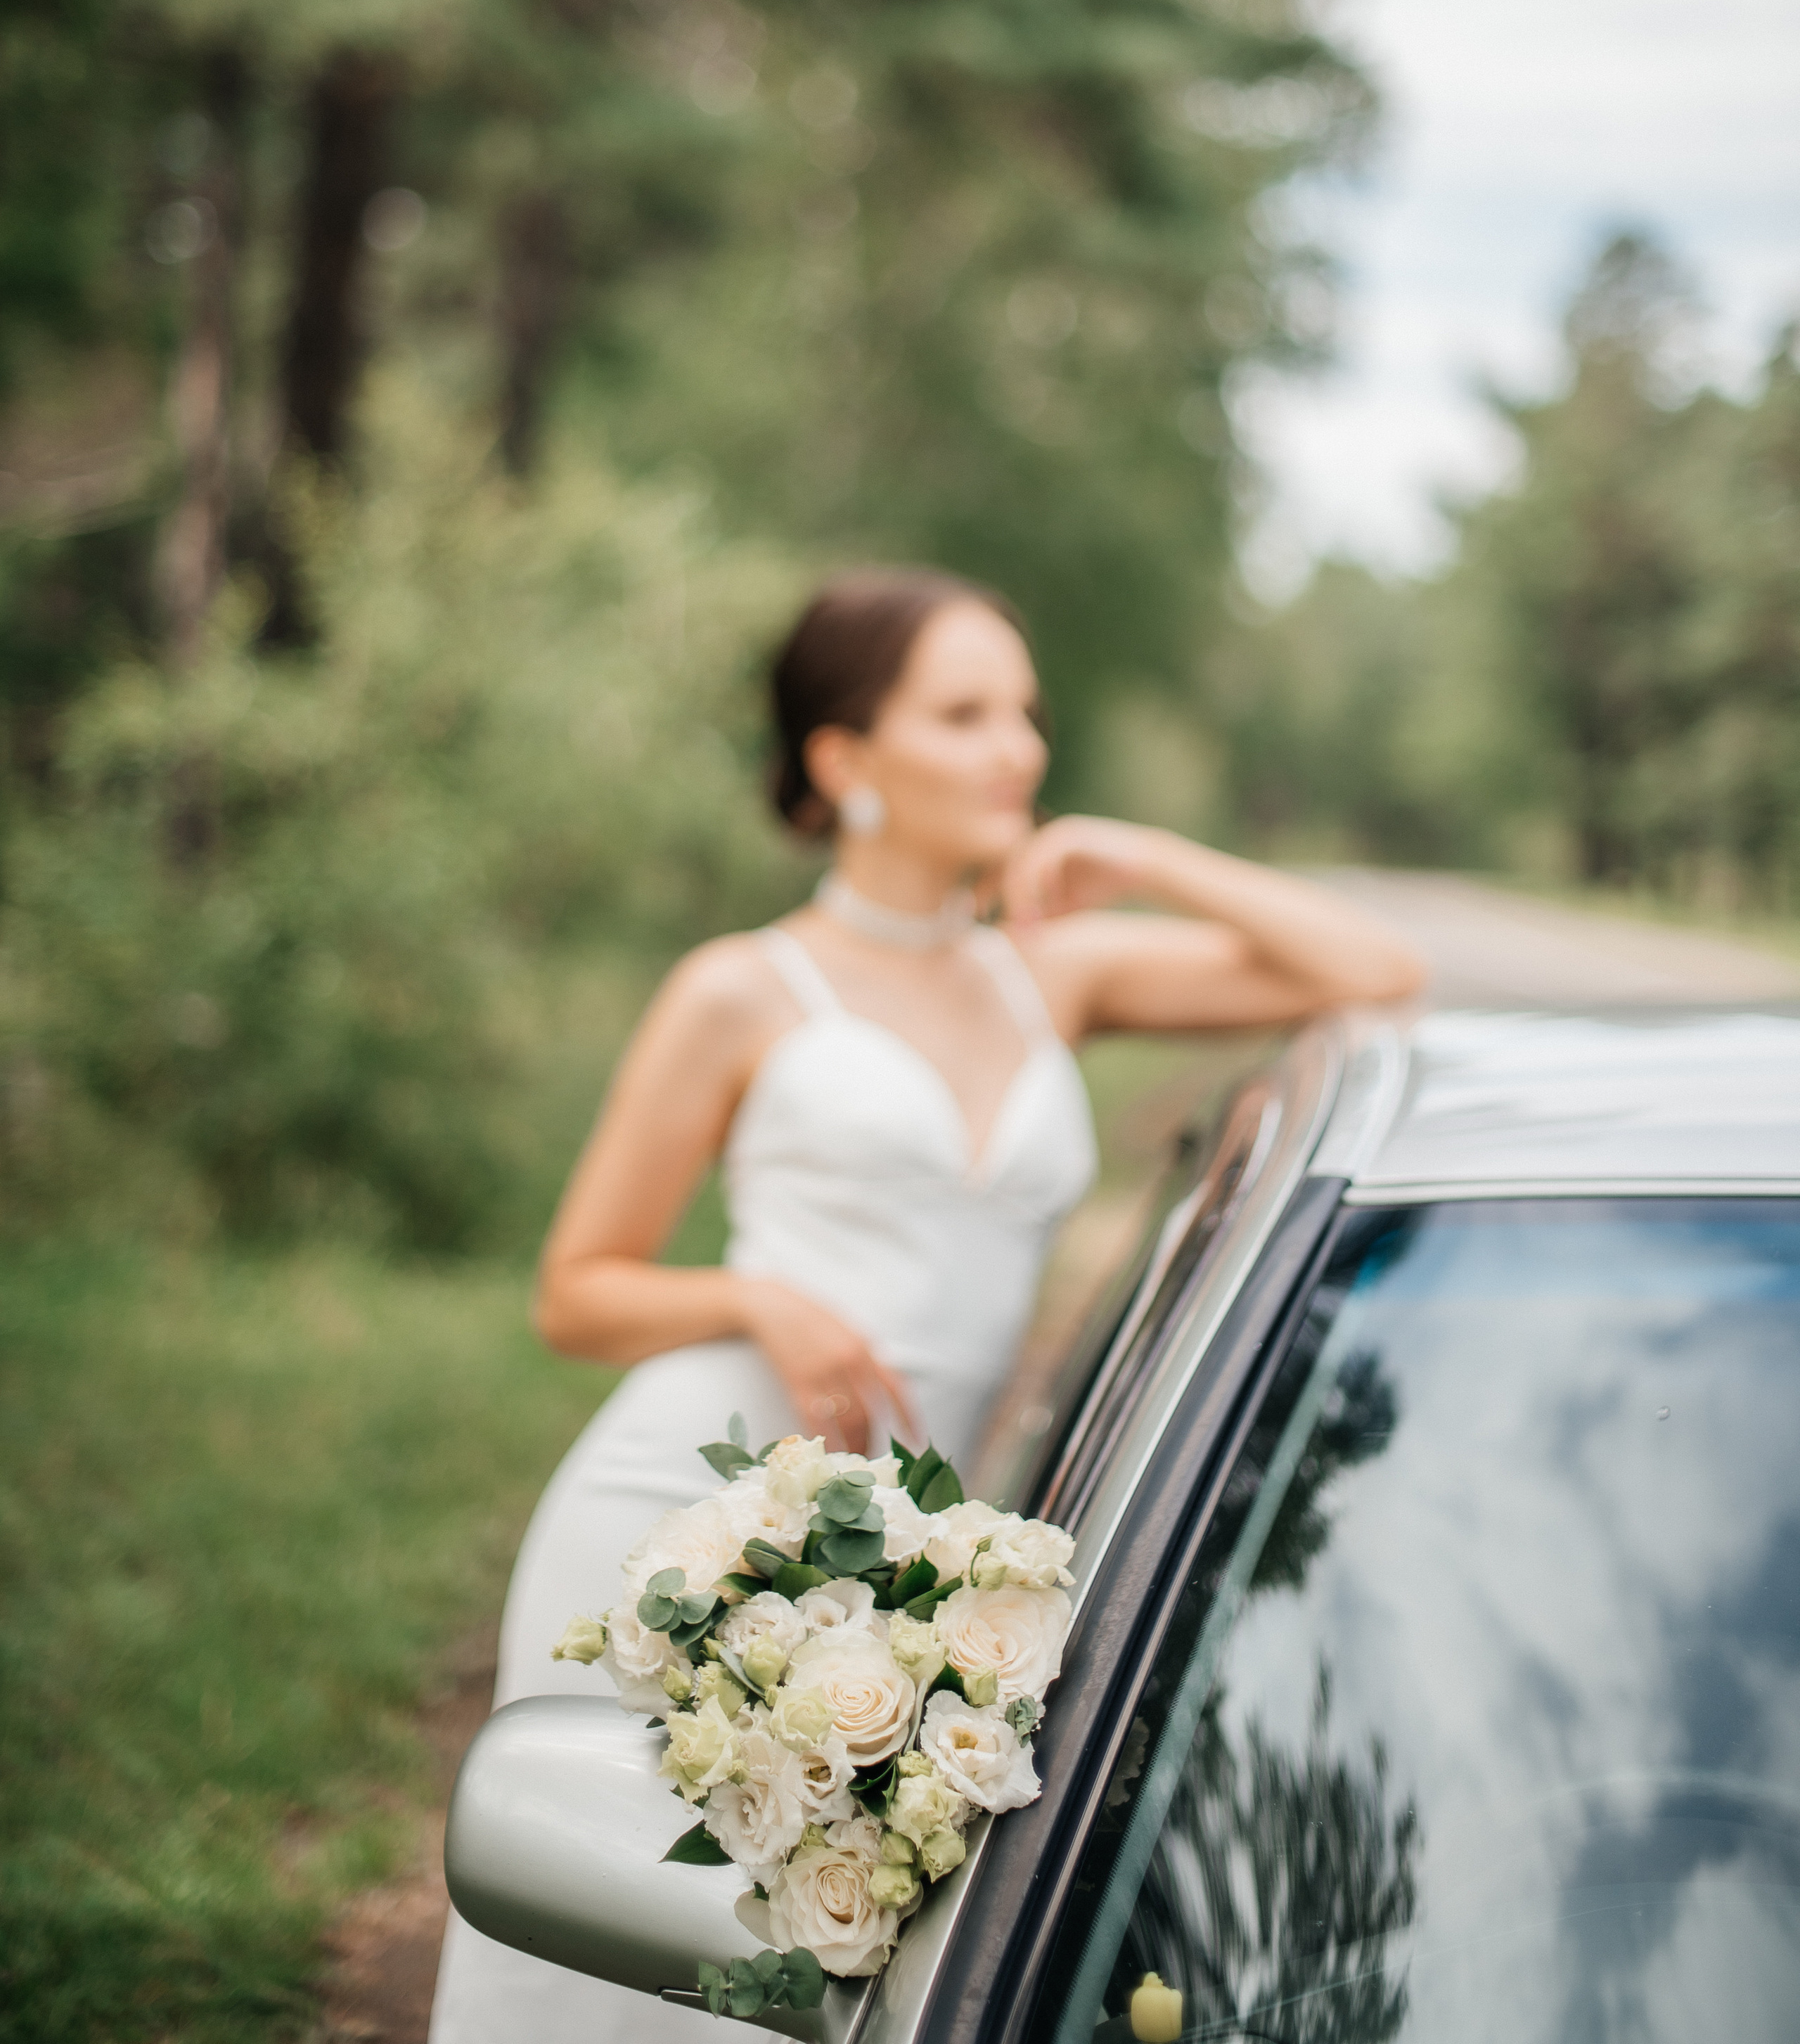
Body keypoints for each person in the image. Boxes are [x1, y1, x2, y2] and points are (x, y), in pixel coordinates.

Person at [429, 567, 1424, 2040]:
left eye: (1021, 712)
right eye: (962, 713)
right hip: (683, 1526)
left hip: (898, 1576)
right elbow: (575, 1293)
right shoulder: (740, 988)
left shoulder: (1054, 977)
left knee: (796, 1977)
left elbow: (1379, 975)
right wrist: (759, 1299)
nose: (1014, 747)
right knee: (616, 1977)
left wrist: (1139, 851)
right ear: (843, 760)